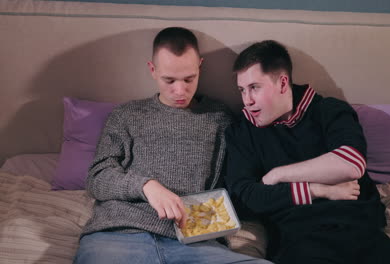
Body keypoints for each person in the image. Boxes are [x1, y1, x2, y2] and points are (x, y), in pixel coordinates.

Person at [74, 27, 271, 264]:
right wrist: (146, 186)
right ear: (152, 70)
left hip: (196, 242)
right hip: (121, 235)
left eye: (189, 79)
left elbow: (241, 181)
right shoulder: (127, 115)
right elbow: (97, 178)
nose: (180, 91)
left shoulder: (220, 119)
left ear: (200, 66)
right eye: (169, 80)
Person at [225, 40, 390, 264]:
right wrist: (316, 189)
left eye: (254, 88)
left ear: (283, 83)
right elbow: (246, 195)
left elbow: (351, 164)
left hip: (358, 228)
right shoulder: (241, 131)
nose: (247, 101)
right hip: (300, 236)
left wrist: (277, 175)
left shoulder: (329, 110)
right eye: (242, 90)